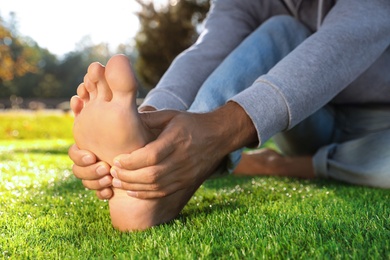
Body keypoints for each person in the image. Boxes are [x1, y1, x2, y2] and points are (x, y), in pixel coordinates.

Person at [69, 0, 390, 231]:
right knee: (282, 29)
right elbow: (209, 50)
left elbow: (354, 30)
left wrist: (222, 131)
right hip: (310, 118)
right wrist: (151, 121)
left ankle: (283, 165)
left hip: (383, 128)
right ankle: (162, 166)